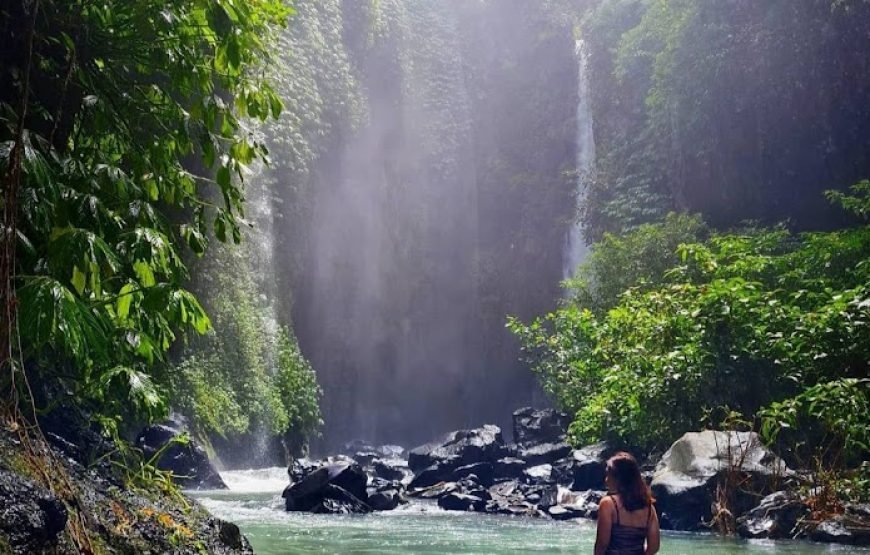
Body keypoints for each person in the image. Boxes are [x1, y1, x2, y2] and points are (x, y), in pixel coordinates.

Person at [594, 452, 660, 555]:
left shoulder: (608, 504)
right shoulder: (649, 508)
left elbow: (602, 544)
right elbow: (654, 547)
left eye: (608, 475)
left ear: (618, 478)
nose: (606, 480)